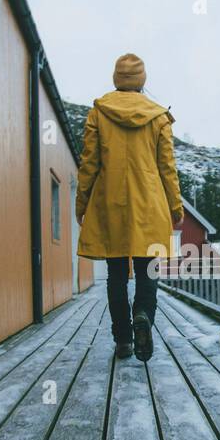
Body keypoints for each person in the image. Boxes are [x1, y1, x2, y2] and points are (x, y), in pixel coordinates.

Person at [75, 54, 183, 361]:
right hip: (149, 208)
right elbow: (167, 169)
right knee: (148, 272)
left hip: (112, 208)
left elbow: (89, 165)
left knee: (116, 275)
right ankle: (143, 316)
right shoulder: (158, 117)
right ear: (142, 80)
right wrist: (175, 207)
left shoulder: (99, 112)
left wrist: (81, 203)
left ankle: (122, 340)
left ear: (115, 78)